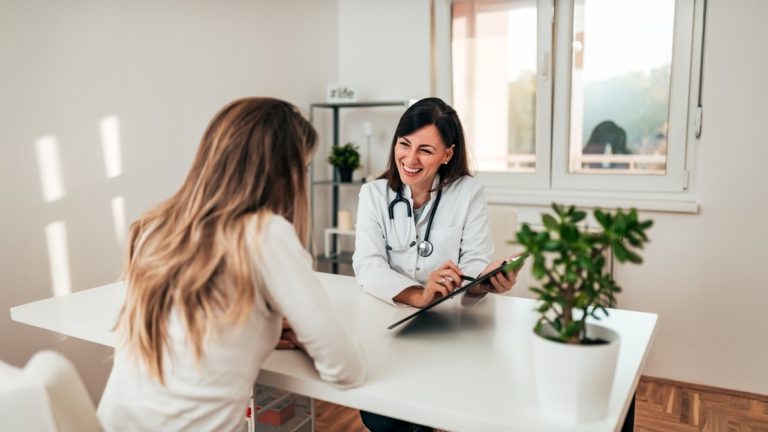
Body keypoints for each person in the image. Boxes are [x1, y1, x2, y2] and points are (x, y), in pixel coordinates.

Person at [97, 98, 366, 431]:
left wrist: (262, 328)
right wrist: (302, 333)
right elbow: (346, 370)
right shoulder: (265, 234)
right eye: (305, 167)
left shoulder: (156, 225)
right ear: (284, 173)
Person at [352, 97, 518, 432]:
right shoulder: (374, 195)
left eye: (425, 150)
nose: (410, 159)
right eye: (404, 144)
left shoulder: (468, 193)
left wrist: (483, 283)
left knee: (431, 411)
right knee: (382, 419)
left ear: (447, 154)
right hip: (389, 329)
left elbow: (473, 264)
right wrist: (419, 295)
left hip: (450, 333)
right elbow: (368, 265)